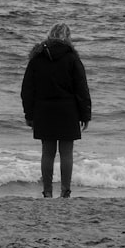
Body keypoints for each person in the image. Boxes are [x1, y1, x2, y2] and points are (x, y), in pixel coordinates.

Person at [21, 23, 92, 198]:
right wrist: (85, 114)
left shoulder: (37, 58)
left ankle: (47, 191)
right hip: (68, 110)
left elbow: (27, 90)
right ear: (68, 37)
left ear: (49, 35)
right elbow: (82, 89)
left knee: (47, 153)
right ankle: (65, 191)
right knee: (66, 153)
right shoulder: (72, 58)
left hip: (43, 110)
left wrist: (29, 114)